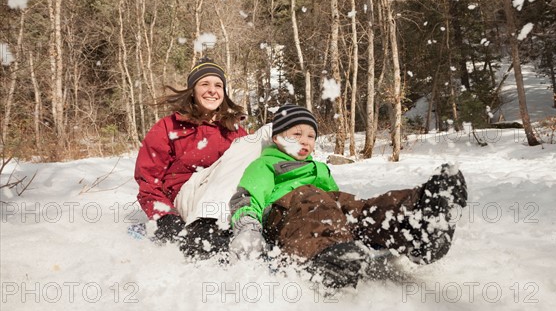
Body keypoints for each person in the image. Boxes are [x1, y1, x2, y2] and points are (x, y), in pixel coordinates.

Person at [228, 104, 468, 288]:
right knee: (314, 200)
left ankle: (418, 218)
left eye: (310, 136)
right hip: (285, 215)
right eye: (296, 134)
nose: (304, 141)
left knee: (360, 208)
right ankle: (326, 257)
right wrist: (247, 227)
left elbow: (335, 206)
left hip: (320, 209)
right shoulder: (265, 164)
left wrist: (344, 209)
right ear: (277, 138)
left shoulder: (318, 167)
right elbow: (248, 197)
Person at [134, 57, 247, 257]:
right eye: (205, 84)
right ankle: (204, 235)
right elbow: (148, 180)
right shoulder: (169, 127)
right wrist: (165, 217)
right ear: (192, 91)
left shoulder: (234, 130)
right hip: (184, 201)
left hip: (225, 201)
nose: (212, 90)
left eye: (218, 85)